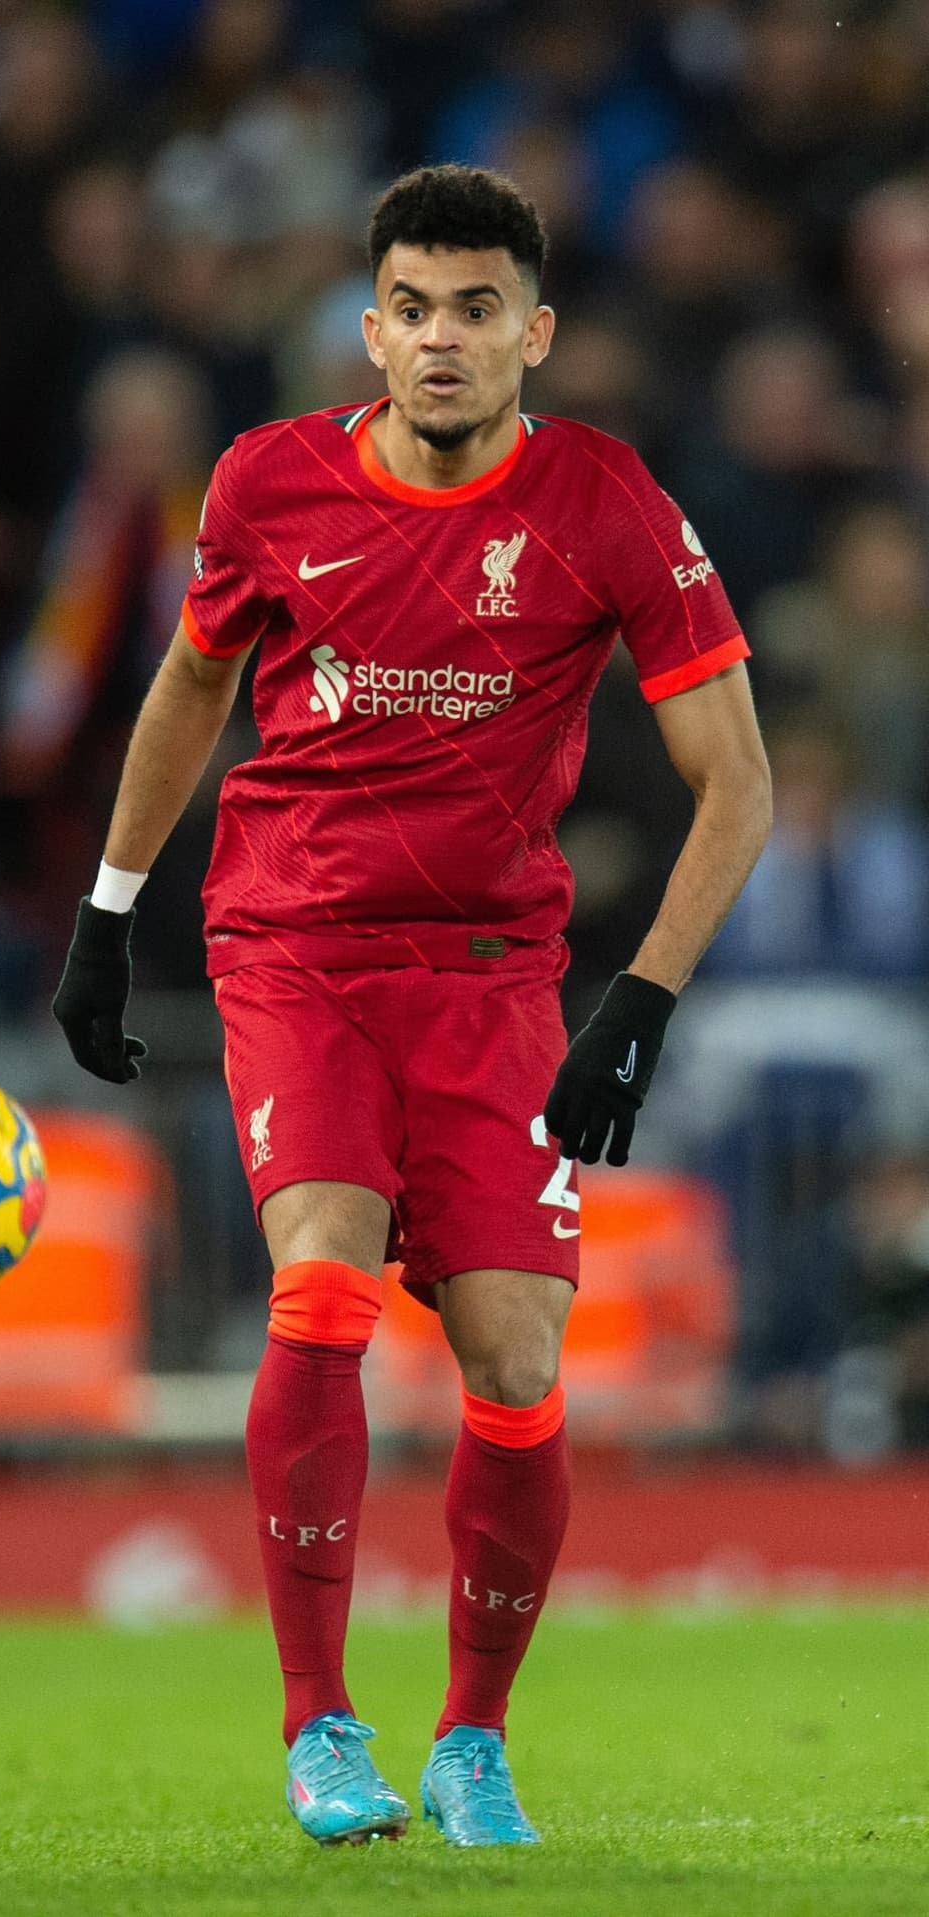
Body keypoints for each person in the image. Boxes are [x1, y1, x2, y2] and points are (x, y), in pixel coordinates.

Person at [52, 165, 772, 1849]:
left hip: (492, 977)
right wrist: (106, 910)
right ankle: (320, 1723)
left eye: (476, 309)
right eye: (412, 309)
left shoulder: (605, 504)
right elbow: (189, 685)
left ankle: (471, 1739)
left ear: (537, 329)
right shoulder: (268, 481)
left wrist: (642, 1000)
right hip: (295, 944)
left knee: (518, 1366)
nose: (441, 340)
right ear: (369, 325)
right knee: (321, 1285)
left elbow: (732, 780)